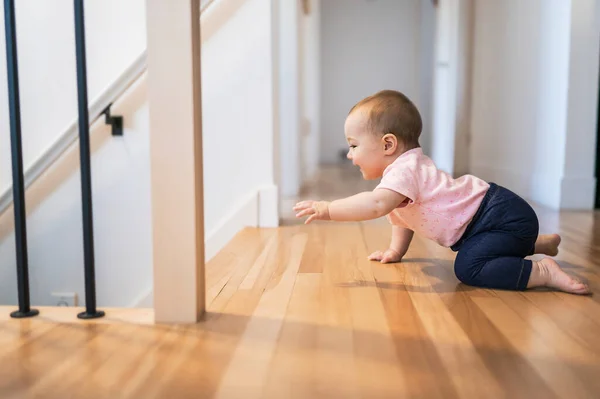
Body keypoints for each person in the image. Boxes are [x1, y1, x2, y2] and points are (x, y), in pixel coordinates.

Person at [294, 90, 590, 294]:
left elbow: (375, 206)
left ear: (388, 145)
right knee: (479, 248)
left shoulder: (404, 172)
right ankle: (534, 243)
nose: (349, 154)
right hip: (496, 221)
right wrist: (396, 252)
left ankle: (542, 272)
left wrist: (327, 209)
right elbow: (402, 219)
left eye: (353, 145)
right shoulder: (402, 176)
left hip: (496, 215)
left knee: (469, 267)